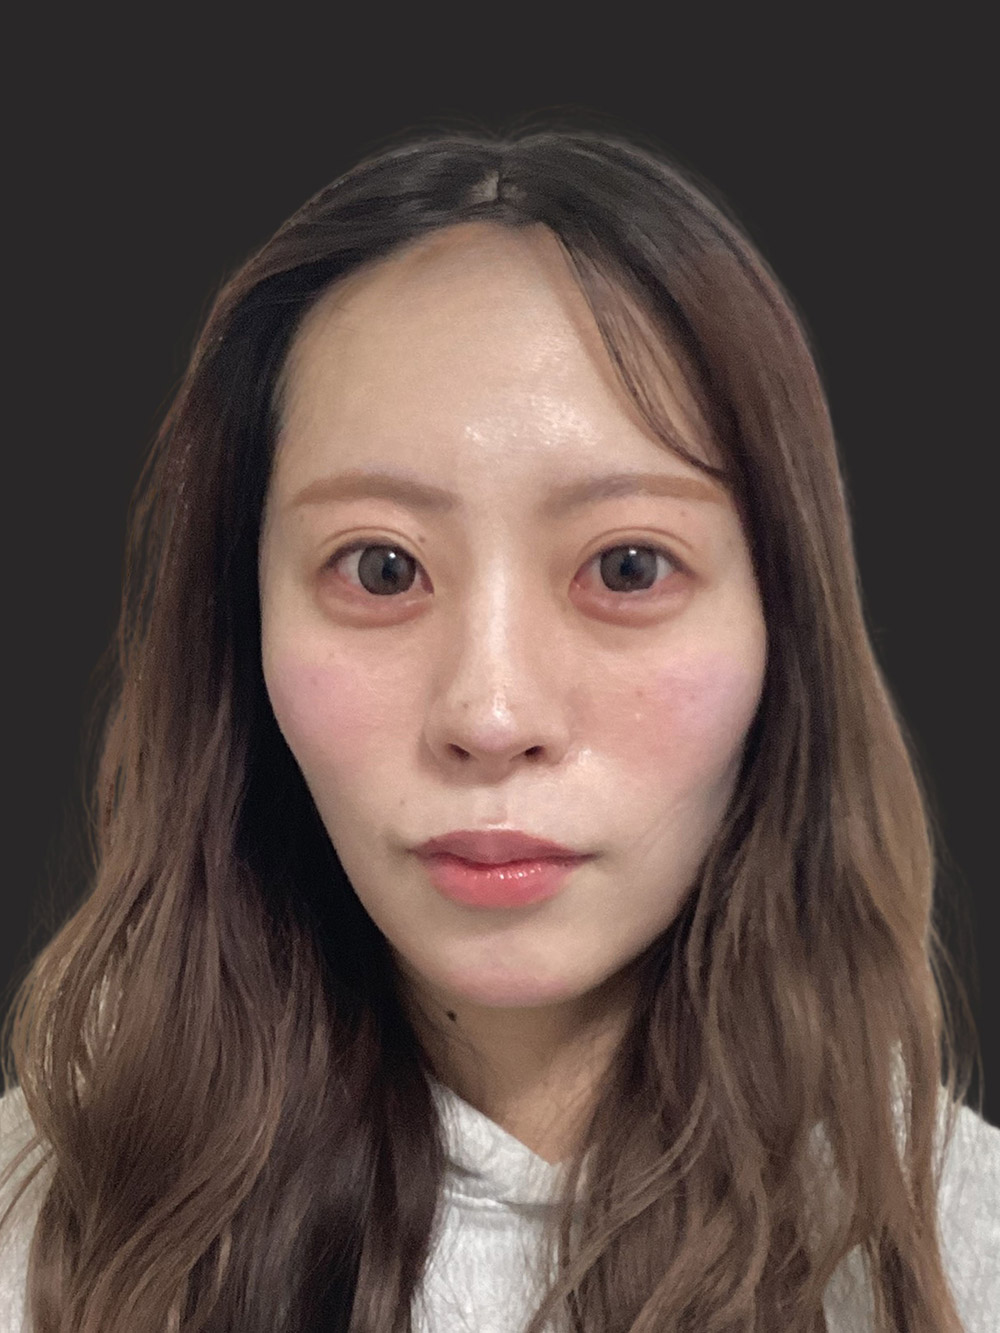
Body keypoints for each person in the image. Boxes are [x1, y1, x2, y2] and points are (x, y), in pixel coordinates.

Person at [0, 121, 996, 1333]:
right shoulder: (37, 1242)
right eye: (380, 567)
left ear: (783, 631)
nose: (491, 713)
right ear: (240, 628)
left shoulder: (960, 1258)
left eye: (627, 566)